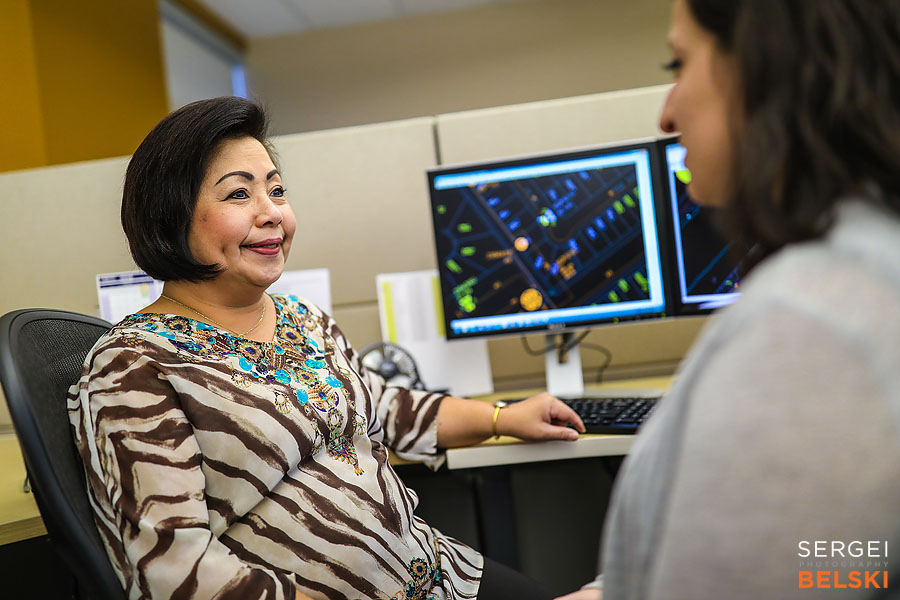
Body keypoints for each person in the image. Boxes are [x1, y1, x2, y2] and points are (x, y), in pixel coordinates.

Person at [67, 96, 586, 600]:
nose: (273, 213)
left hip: (440, 574)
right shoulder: (134, 366)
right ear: (170, 218)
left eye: (276, 190)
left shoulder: (302, 318)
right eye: (238, 194)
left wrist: (503, 418)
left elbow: (385, 407)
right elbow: (174, 570)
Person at [557, 1, 900, 599]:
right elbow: (836, 566)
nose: (666, 115)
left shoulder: (808, 327)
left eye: (678, 63)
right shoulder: (866, 277)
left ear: (764, 68)